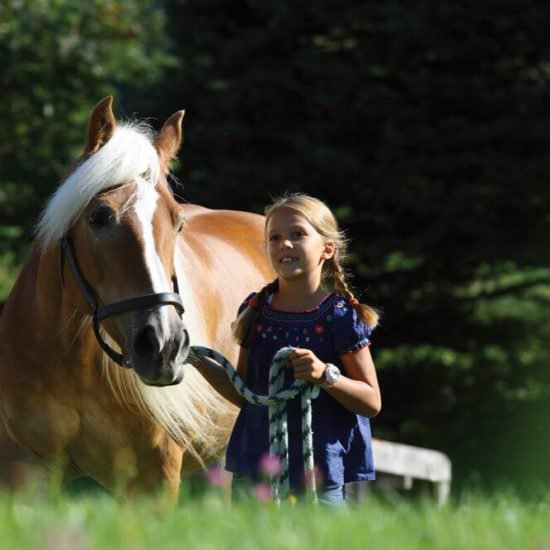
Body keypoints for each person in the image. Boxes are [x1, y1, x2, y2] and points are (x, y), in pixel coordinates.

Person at [194, 193, 381, 505]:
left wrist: (325, 375)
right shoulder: (255, 312)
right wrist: (196, 360)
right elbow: (246, 393)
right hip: (255, 469)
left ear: (327, 248)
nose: (285, 244)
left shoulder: (340, 317)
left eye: (298, 234)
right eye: (275, 237)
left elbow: (371, 401)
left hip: (318, 477)